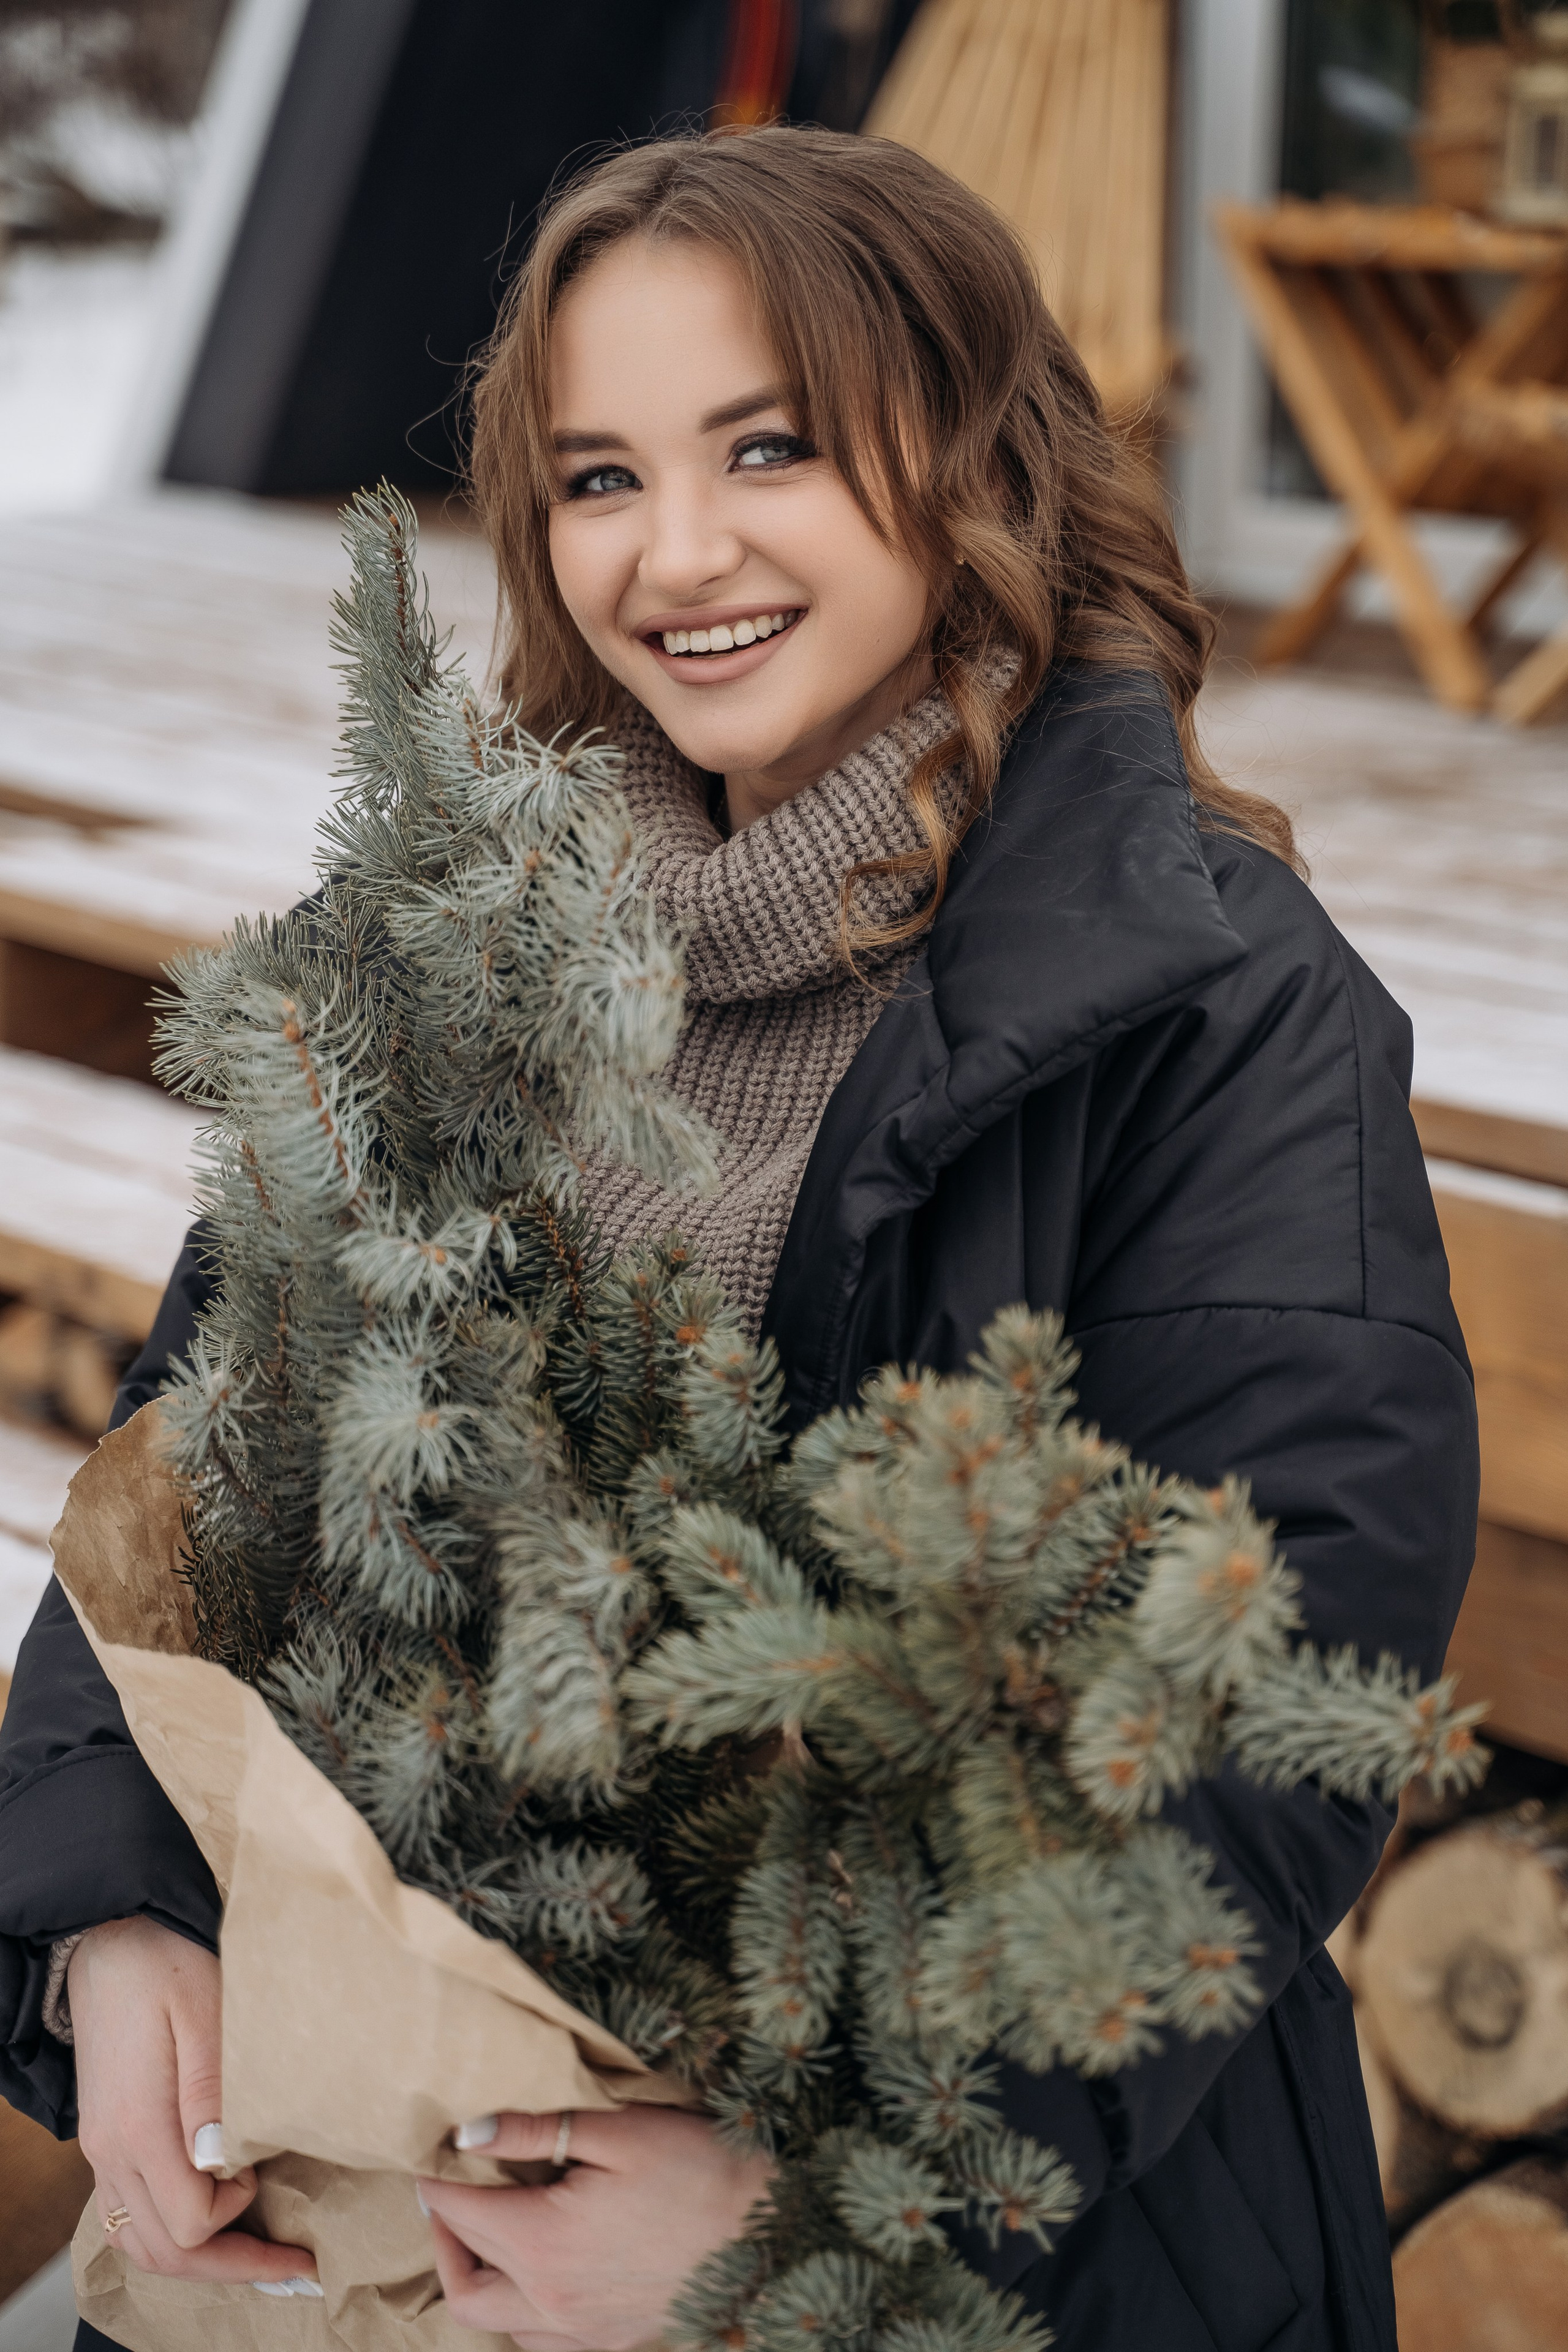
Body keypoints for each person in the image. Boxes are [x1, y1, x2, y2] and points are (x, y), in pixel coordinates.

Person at [0, 126, 1478, 2352]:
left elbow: (1259, 1688)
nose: (672, 554)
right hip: (382, 2204)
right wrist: (112, 1922)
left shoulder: (1209, 1003)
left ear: (970, 457)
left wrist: (822, 2217)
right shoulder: (444, 957)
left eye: (765, 448)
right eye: (595, 477)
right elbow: (198, 1464)